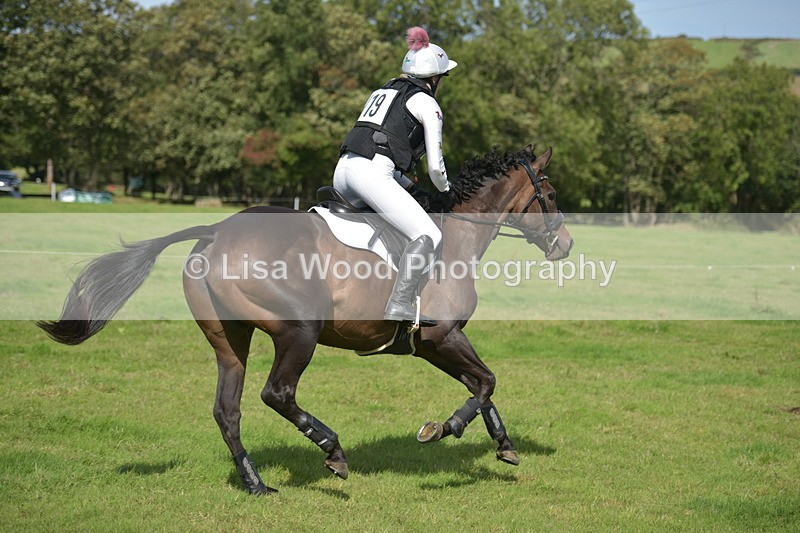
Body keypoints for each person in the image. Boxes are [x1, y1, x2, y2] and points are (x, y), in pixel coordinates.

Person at [333, 26, 456, 328]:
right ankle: (400, 303)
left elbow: (382, 144)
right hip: (372, 174)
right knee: (430, 235)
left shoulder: (383, 91)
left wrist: (406, 185)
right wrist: (447, 191)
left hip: (344, 170)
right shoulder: (427, 102)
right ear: (434, 78)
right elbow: (437, 169)